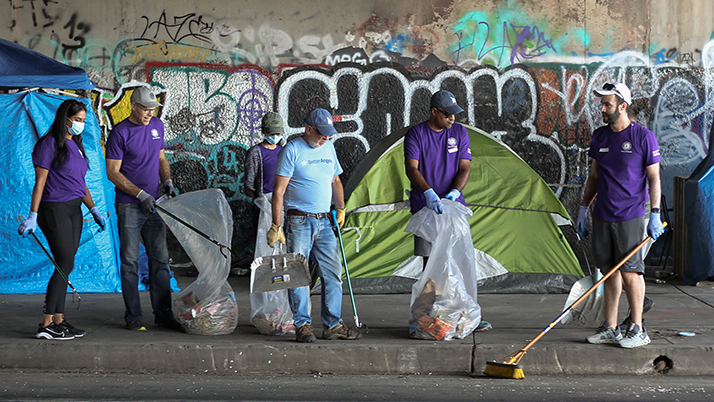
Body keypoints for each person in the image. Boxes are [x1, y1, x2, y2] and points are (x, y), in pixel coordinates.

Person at [578, 82, 664, 348]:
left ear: (623, 106)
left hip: (631, 214)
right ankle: (610, 327)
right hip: (603, 213)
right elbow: (594, 176)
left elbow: (654, 178)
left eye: (607, 104)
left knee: (631, 272)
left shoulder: (643, 137)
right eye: (601, 104)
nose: (602, 109)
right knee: (608, 272)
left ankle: (638, 328)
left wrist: (655, 213)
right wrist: (583, 208)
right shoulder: (600, 137)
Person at [268, 108, 362, 343]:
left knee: (332, 274)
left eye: (329, 134)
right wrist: (276, 225)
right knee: (298, 275)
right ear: (308, 129)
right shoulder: (291, 151)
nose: (326, 138)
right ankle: (303, 325)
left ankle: (332, 324)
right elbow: (278, 192)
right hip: (298, 221)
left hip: (325, 221)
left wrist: (341, 208)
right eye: (321, 134)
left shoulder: (329, 147)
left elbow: (336, 180)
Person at [18, 98, 106, 340]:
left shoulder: (75, 145)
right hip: (54, 209)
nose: (80, 125)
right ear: (65, 119)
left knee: (67, 262)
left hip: (74, 209)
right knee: (63, 262)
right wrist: (32, 215)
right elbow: (40, 183)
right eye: (77, 120)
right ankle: (46, 323)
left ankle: (60, 319)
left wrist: (94, 210)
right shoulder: (49, 144)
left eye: (83, 121)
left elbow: (81, 183)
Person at [404, 89, 491, 332]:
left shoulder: (459, 132)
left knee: (460, 261)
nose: (452, 119)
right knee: (431, 265)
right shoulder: (416, 134)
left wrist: (453, 193)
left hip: (454, 208)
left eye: (454, 114)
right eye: (447, 114)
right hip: (426, 208)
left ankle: (464, 313)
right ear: (434, 111)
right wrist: (429, 192)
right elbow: (412, 168)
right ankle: (430, 316)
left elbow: (464, 167)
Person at [105, 86, 182, 332]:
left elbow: (161, 158)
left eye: (153, 110)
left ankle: (164, 314)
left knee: (160, 260)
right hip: (129, 206)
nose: (150, 114)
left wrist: (167, 181)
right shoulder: (119, 133)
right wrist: (139, 194)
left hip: (155, 204)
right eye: (146, 109)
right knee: (129, 261)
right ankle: (133, 316)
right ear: (133, 106)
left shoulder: (157, 126)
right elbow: (112, 173)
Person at [244, 112, 285, 200]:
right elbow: (248, 185)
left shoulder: (284, 152)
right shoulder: (254, 153)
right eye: (271, 134)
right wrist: (257, 194)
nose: (275, 137)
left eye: (278, 134)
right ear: (263, 131)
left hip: (282, 201)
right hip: (262, 204)